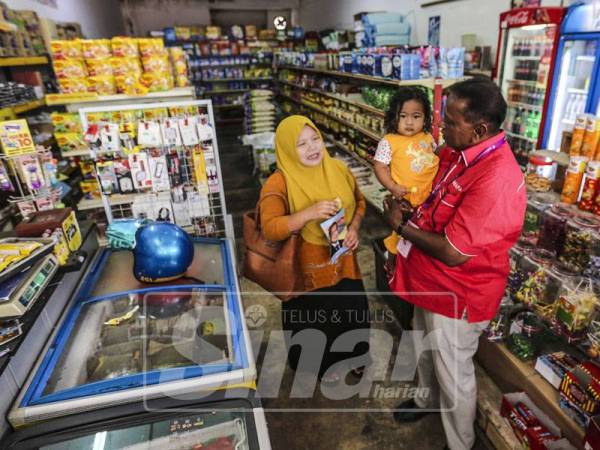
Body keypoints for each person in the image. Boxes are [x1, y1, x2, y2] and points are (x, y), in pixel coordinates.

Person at [384, 78, 526, 450]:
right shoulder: (458, 150)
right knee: (425, 347)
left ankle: (460, 444)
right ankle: (424, 400)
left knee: (454, 373)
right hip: (429, 278)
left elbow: (453, 251)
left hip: (458, 292)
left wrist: (399, 224)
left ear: (479, 129)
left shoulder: (496, 177)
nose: (440, 126)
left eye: (449, 120)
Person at [259, 115, 371, 384]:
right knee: (316, 320)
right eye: (301, 144)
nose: (312, 148)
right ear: (287, 149)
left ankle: (355, 357)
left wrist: (354, 228)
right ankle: (321, 366)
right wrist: (308, 214)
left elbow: (359, 201)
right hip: (306, 269)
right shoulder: (279, 182)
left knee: (351, 311)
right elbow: (270, 228)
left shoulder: (338, 168)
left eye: (315, 139)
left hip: (344, 262)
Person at [373, 86, 439, 256]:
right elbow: (379, 166)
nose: (409, 122)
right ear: (393, 117)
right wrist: (392, 187)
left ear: (425, 119)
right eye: (403, 116)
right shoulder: (389, 141)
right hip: (407, 199)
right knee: (404, 235)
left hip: (432, 197)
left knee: (425, 239)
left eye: (416, 116)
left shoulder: (427, 137)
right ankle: (395, 256)